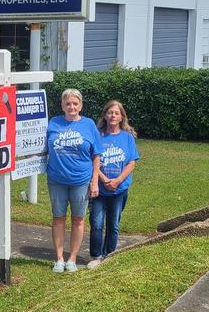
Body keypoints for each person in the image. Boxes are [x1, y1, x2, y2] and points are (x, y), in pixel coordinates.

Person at [45, 88, 102, 273]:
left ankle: (72, 259)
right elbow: (42, 147)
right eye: (68, 103)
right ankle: (59, 259)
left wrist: (94, 181)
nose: (71, 107)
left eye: (75, 103)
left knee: (78, 219)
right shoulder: (53, 123)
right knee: (58, 218)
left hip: (81, 180)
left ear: (81, 105)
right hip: (56, 180)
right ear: (62, 105)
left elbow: (96, 155)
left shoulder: (89, 124)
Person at [86, 100, 139, 270]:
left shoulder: (127, 137)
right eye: (110, 112)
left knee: (113, 224)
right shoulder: (98, 135)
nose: (113, 116)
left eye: (116, 113)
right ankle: (96, 255)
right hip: (100, 189)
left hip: (119, 189)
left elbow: (131, 162)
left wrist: (117, 180)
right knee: (96, 224)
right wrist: (102, 178)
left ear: (121, 116)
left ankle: (110, 254)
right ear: (105, 115)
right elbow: (92, 159)